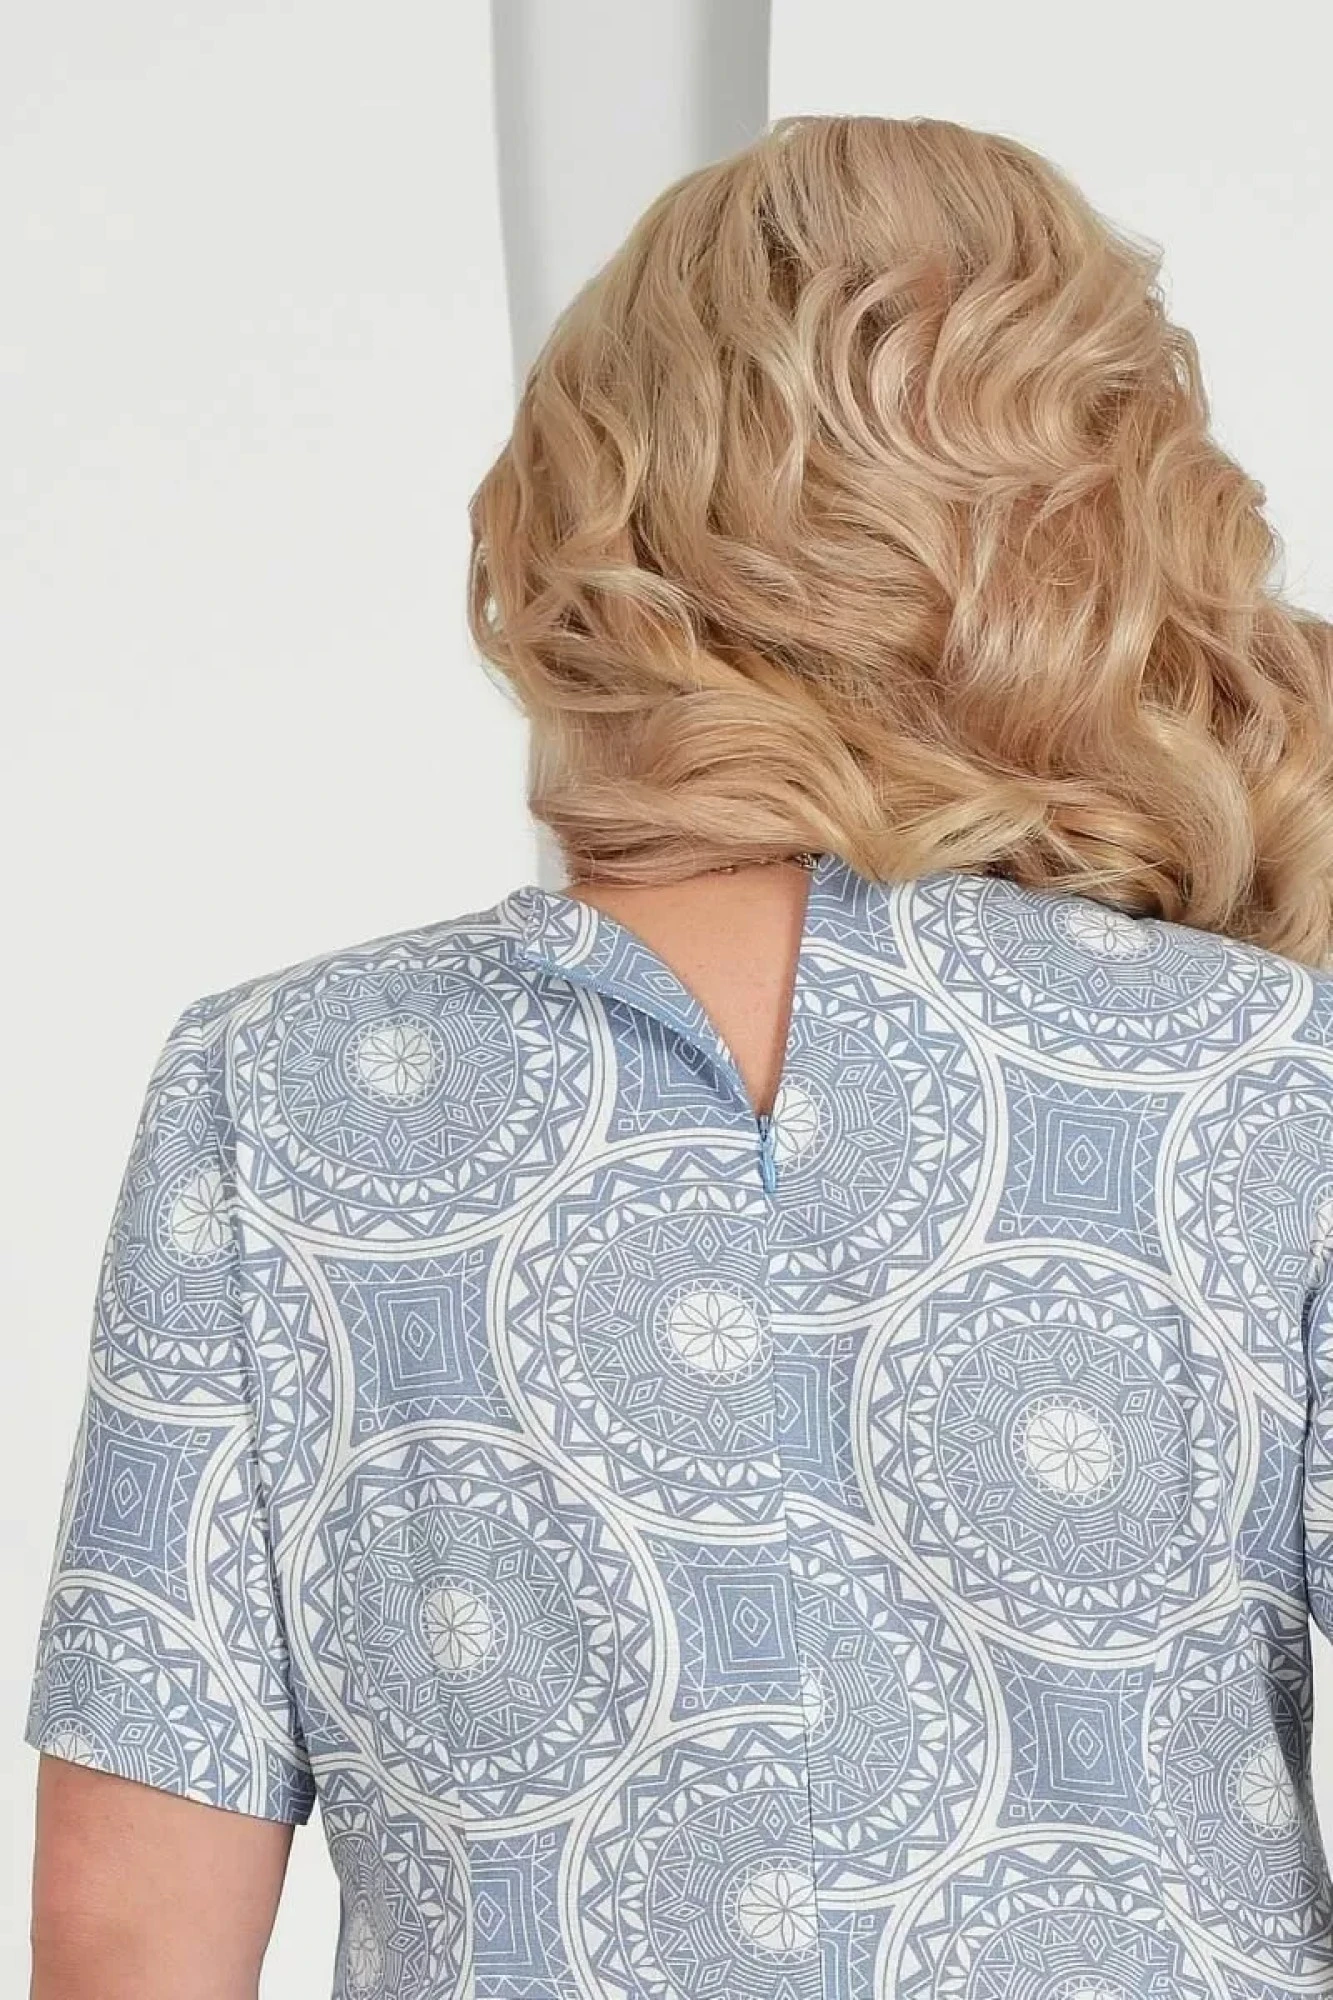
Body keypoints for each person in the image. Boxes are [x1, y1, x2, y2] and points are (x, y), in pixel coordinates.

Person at [26, 112, 1333, 2000]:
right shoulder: (1265, 1075)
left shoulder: (280, 1092)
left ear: (584, 511)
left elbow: (131, 1933)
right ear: (1101, 523)